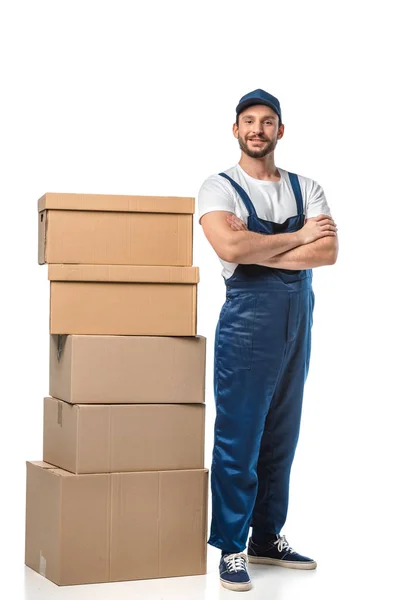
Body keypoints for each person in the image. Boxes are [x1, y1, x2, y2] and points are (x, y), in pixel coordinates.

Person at [197, 89, 338, 592]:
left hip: (297, 324)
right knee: (240, 438)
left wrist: (264, 248)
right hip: (247, 325)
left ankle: (265, 538)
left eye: (268, 121)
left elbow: (328, 253)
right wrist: (300, 235)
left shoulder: (308, 187)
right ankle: (232, 548)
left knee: (282, 435)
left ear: (281, 130)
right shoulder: (219, 187)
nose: (258, 129)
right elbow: (230, 245)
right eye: (249, 121)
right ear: (235, 130)